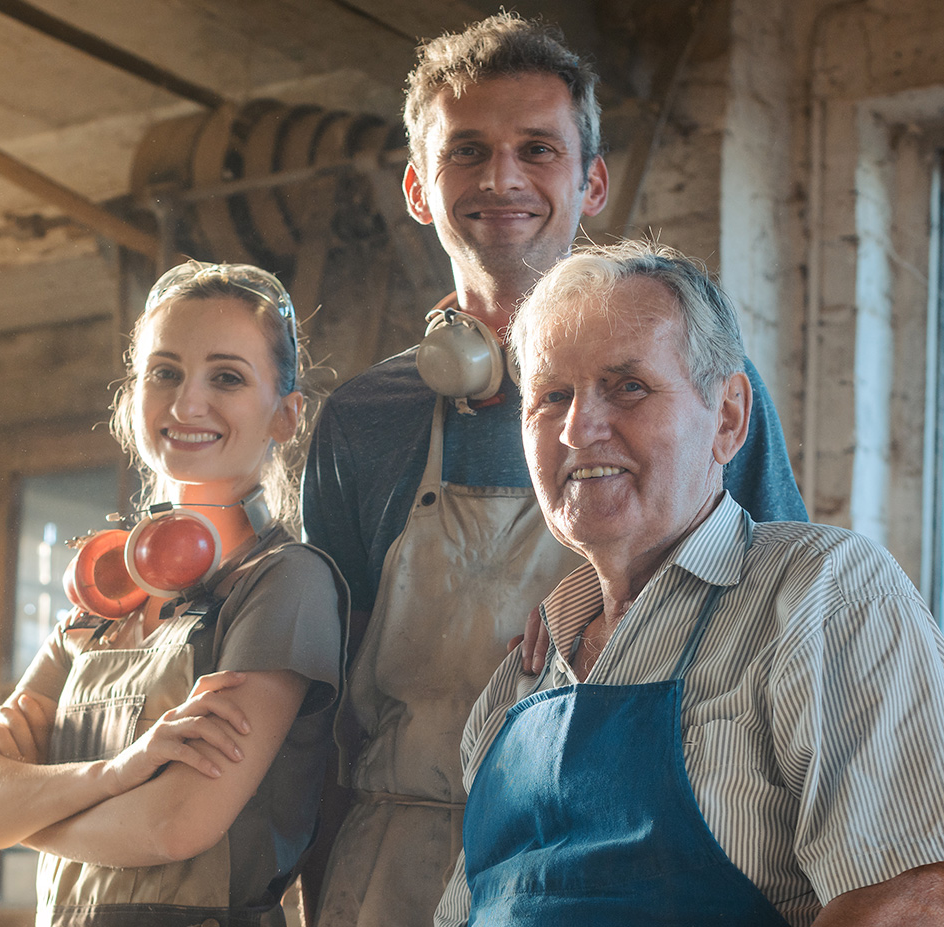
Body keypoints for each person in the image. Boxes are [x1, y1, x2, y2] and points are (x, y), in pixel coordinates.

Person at [302, 14, 808, 926]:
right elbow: (325, 710)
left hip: (600, 854)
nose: (502, 178)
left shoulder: (697, 396)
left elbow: (776, 627)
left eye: (538, 148)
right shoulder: (361, 424)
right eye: (467, 151)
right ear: (419, 187)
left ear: (592, 182)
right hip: (387, 867)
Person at [433, 240, 944, 926]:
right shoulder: (514, 688)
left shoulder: (822, 592)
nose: (578, 428)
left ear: (729, 416)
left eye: (628, 386)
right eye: (551, 396)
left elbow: (912, 904)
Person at [0, 261, 346, 927]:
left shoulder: (284, 582)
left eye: (228, 377)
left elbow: (173, 826)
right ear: (131, 395)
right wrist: (119, 772)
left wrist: (19, 815)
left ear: (285, 416)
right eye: (165, 371)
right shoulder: (100, 604)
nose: (186, 404)